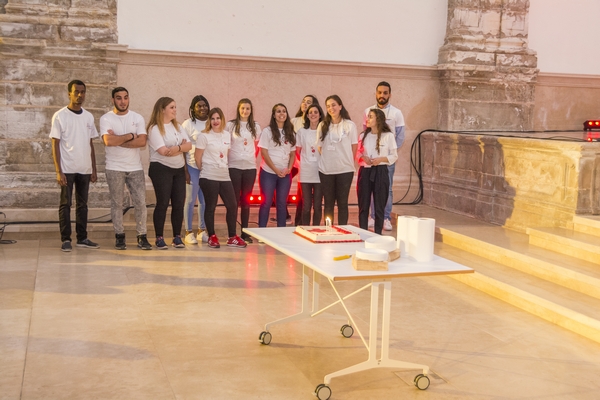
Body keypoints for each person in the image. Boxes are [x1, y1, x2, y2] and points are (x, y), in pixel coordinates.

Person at [50, 79, 100, 252]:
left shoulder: (88, 116)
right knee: (65, 204)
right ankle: (66, 239)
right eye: (76, 92)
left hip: (84, 168)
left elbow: (90, 143)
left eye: (83, 92)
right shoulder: (60, 116)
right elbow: (55, 144)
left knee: (82, 205)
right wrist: (59, 171)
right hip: (67, 168)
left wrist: (93, 168)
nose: (80, 95)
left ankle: (82, 238)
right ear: (69, 94)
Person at [99, 87, 152, 250]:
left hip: (135, 167)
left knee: (141, 203)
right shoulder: (106, 118)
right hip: (114, 167)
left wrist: (118, 139)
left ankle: (142, 236)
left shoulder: (137, 117)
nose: (123, 101)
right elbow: (108, 141)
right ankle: (119, 236)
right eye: (119, 98)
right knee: (117, 203)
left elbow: (142, 142)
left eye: (125, 97)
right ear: (113, 100)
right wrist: (130, 136)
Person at [195, 108, 247, 249]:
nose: (215, 121)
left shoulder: (226, 135)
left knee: (232, 205)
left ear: (222, 119)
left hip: (224, 175)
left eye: (218, 118)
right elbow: (197, 157)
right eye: (212, 118)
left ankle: (232, 237)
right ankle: (212, 236)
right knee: (211, 206)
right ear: (209, 121)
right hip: (208, 176)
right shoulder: (203, 136)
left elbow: (226, 154)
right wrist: (205, 170)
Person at [147, 97, 192, 249]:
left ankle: (177, 237)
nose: (175, 110)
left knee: (178, 203)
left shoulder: (177, 126)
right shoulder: (154, 129)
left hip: (178, 169)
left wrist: (177, 148)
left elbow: (189, 146)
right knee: (163, 203)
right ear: (162, 109)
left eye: (175, 107)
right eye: (171, 107)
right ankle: (159, 237)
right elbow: (163, 151)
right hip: (161, 169)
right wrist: (180, 148)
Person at [363, 81, 405, 231]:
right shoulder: (368, 111)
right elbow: (365, 134)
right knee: (372, 188)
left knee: (387, 189)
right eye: (379, 92)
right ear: (376, 93)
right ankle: (373, 216)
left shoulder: (396, 113)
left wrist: (388, 155)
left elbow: (400, 136)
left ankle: (386, 217)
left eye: (385, 93)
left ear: (390, 95)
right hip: (370, 161)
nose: (382, 95)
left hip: (386, 160)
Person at [317, 95, 358, 226]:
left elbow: (354, 146)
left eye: (333, 105)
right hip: (326, 170)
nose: (331, 108)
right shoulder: (322, 125)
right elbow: (319, 147)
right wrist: (330, 158)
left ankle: (343, 229)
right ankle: (328, 230)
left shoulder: (350, 125)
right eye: (328, 106)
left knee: (342, 203)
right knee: (328, 203)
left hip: (345, 170)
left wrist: (345, 159)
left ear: (340, 106)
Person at [357, 109, 398, 234]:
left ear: (378, 119)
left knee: (379, 205)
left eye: (370, 117)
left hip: (381, 171)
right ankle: (363, 232)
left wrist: (381, 159)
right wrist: (363, 157)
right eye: (367, 116)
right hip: (365, 171)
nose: (367, 119)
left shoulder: (388, 136)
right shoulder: (363, 136)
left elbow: (394, 156)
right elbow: (357, 153)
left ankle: (378, 233)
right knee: (363, 204)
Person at [226, 99, 260, 243]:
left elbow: (257, 146)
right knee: (233, 202)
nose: (245, 111)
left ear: (251, 110)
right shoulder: (231, 125)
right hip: (234, 166)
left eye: (247, 108)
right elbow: (227, 145)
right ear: (238, 109)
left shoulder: (256, 126)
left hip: (249, 168)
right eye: (242, 108)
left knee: (246, 202)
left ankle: (245, 233)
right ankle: (232, 234)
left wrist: (249, 158)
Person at [258, 103, 296, 227]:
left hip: (285, 174)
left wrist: (289, 169)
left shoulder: (290, 132)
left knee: (282, 203)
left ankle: (281, 231)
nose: (281, 114)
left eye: (284, 111)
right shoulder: (267, 131)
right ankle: (261, 231)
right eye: (278, 111)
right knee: (266, 202)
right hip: (268, 173)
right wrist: (275, 170)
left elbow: (292, 154)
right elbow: (264, 153)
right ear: (274, 115)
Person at [182, 95, 210, 245]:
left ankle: (201, 230)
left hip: (207, 168)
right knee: (190, 200)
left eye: (205, 105)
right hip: (192, 166)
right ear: (193, 108)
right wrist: (185, 170)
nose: (202, 108)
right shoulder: (187, 124)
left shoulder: (211, 122)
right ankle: (188, 232)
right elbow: (183, 149)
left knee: (204, 201)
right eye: (199, 106)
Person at [296, 103, 324, 225]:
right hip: (306, 172)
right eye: (310, 112)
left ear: (320, 115)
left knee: (317, 205)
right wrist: (305, 162)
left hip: (320, 171)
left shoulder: (324, 131)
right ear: (307, 115)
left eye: (316, 112)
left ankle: (316, 229)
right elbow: (297, 151)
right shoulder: (301, 132)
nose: (313, 114)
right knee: (306, 205)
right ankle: (305, 229)